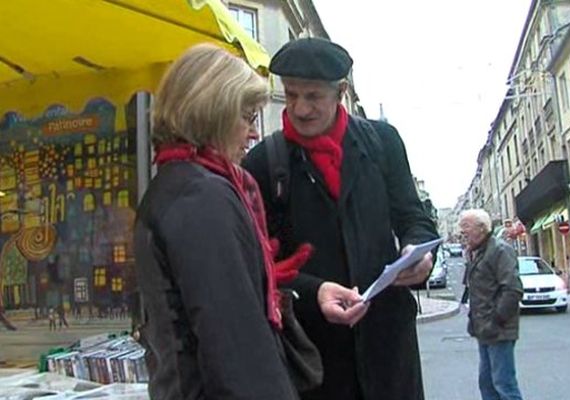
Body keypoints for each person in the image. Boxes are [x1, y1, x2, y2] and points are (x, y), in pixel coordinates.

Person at [243, 37, 439, 400]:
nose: (300, 109)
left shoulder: (383, 142)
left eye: (313, 96)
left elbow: (413, 216)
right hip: (313, 355)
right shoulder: (263, 163)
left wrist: (420, 252)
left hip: (388, 347)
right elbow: (258, 262)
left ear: (341, 92)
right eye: (290, 95)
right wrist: (313, 291)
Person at [133, 43, 304, 400]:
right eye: (246, 117)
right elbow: (236, 345)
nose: (253, 134)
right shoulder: (202, 196)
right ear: (213, 112)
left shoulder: (175, 184)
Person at [458, 209, 524, 400]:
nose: (462, 232)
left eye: (466, 226)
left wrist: (495, 321)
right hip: (485, 329)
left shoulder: (500, 250)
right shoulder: (477, 251)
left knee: (504, 385)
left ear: (482, 228)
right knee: (487, 383)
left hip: (498, 330)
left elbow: (512, 290)